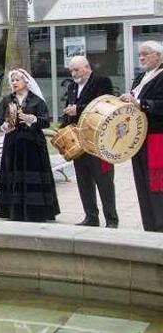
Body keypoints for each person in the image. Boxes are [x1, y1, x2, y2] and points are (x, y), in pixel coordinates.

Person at [0, 69, 60, 222]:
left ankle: (36, 212)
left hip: (33, 145)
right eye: (13, 80)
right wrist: (5, 126)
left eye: (17, 80)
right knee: (14, 176)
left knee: (33, 176)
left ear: (26, 82)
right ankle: (13, 212)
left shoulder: (37, 101)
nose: (14, 82)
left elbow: (45, 122)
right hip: (13, 145)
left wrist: (31, 118)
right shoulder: (7, 100)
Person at [61, 56, 117, 228]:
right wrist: (63, 128)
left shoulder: (102, 81)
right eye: (71, 70)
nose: (74, 73)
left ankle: (111, 219)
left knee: (104, 181)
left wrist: (78, 108)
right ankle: (91, 217)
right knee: (84, 181)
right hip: (78, 141)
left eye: (76, 70)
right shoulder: (72, 86)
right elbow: (68, 111)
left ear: (87, 67)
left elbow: (104, 105)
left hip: (98, 140)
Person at [121, 41, 163, 232]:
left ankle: (160, 224)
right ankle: (149, 225)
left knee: (157, 183)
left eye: (145, 54)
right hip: (138, 137)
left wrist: (139, 102)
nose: (141, 57)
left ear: (158, 56)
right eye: (140, 54)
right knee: (142, 182)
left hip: (157, 137)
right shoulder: (140, 77)